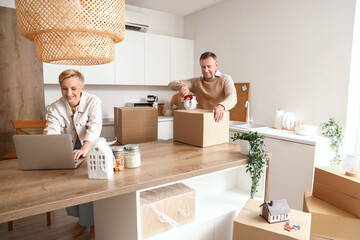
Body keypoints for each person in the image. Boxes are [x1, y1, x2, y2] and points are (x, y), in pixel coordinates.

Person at [45, 69, 102, 240]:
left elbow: (95, 127)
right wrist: (57, 151)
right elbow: (51, 131)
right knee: (70, 187)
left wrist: (84, 149)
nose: (69, 93)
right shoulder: (54, 108)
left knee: (88, 185)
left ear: (82, 88)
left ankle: (93, 224)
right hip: (67, 149)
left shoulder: (93, 101)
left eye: (73, 89)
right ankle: (82, 221)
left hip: (89, 146)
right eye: (64, 88)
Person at [168, 52, 237, 122]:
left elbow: (232, 98)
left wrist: (221, 106)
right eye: (203, 67)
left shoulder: (225, 79)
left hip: (218, 122)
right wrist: (183, 86)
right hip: (201, 121)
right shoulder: (196, 82)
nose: (206, 70)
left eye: (209, 66)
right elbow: (171, 85)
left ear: (216, 65)